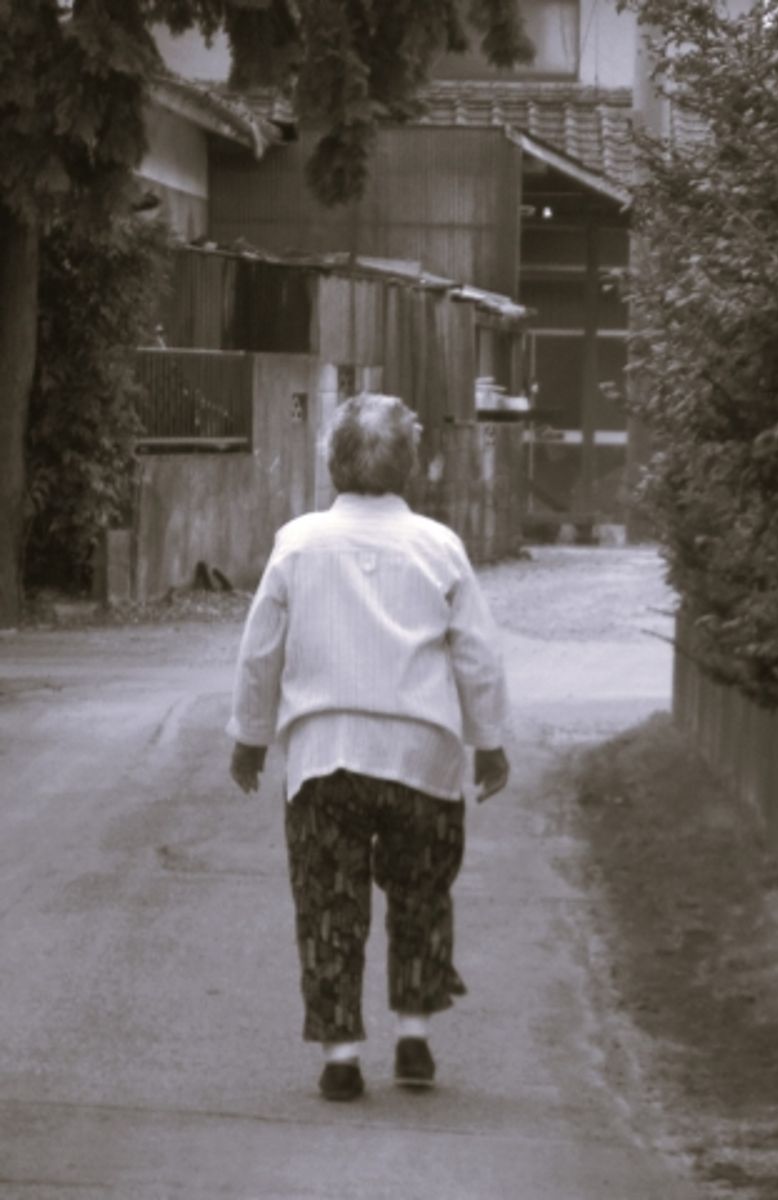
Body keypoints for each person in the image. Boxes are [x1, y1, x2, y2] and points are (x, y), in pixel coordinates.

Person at [226, 392, 510, 1101]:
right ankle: (414, 1039)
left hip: (326, 756)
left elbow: (260, 651)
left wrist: (250, 738)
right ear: (409, 465)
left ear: (333, 463)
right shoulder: (439, 546)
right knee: (421, 893)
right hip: (423, 757)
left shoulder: (299, 544)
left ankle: (342, 1056)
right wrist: (489, 742)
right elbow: (477, 654)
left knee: (329, 903)